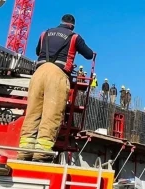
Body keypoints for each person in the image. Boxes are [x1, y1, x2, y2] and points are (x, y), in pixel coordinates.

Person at [17, 14, 94, 162]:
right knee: (51, 115)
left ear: (60, 23)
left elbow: (38, 51)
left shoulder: (44, 33)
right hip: (57, 74)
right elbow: (89, 55)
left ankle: (24, 151)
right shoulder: (74, 37)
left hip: (38, 73)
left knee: (32, 113)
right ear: (72, 25)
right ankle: (41, 154)